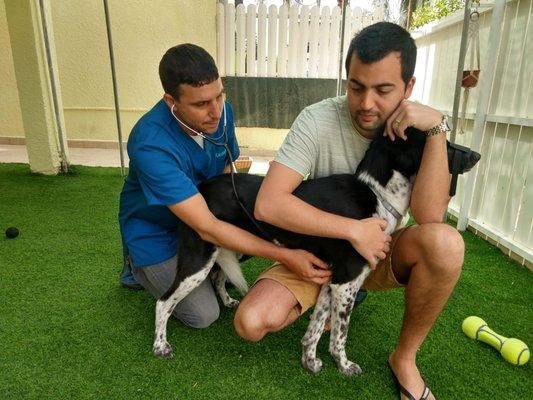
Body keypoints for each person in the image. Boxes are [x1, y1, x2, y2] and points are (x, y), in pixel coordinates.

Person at [234, 22, 464, 400]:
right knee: (251, 322)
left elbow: (429, 217)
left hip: (383, 250)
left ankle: (404, 358)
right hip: (320, 252)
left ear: (408, 87)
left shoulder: (423, 130)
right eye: (356, 87)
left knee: (446, 244)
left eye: (383, 89)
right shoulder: (317, 119)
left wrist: (439, 129)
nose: (366, 103)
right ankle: (342, 290)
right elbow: (269, 203)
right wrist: (351, 230)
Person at [118, 44, 327, 329]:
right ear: (171, 101)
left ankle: (206, 264)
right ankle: (135, 263)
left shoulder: (221, 113)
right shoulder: (149, 143)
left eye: (219, 96)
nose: (216, 111)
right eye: (201, 104)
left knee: (258, 221)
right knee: (203, 315)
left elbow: (228, 170)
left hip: (206, 211)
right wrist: (286, 256)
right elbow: (206, 226)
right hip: (157, 231)